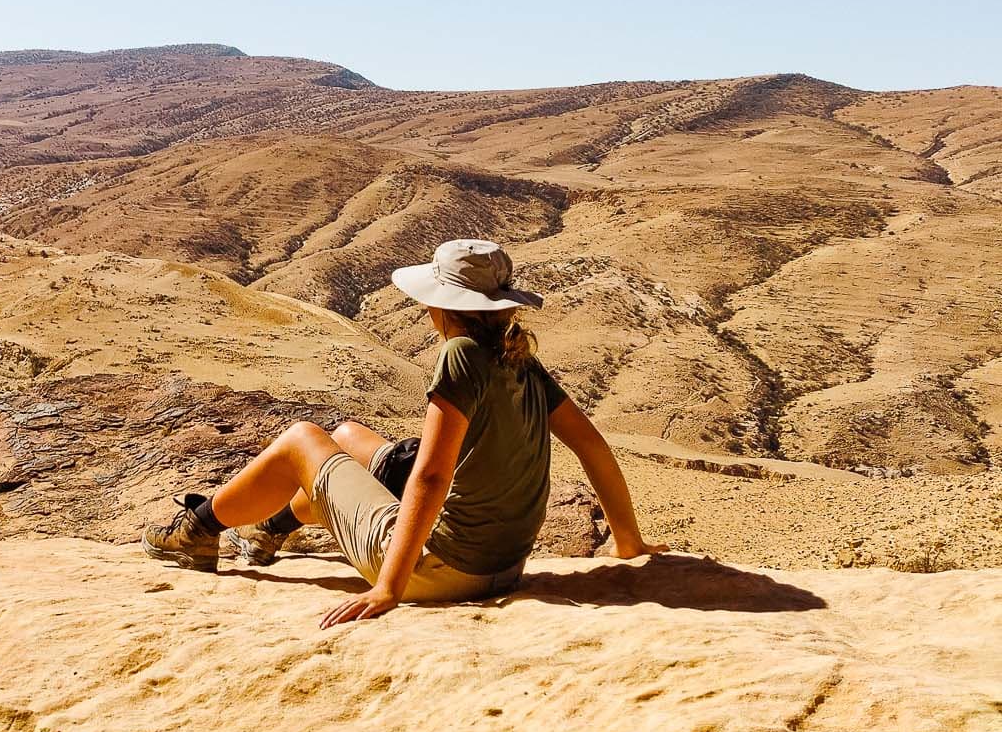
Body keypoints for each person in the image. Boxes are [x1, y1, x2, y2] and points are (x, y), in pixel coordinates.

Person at [141, 239, 666, 627]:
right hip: (505, 565)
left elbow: (434, 476)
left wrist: (389, 588)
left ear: (440, 304)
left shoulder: (459, 355)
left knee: (304, 438)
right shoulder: (517, 357)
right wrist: (628, 542)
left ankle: (196, 531)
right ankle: (269, 529)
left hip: (440, 570)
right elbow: (592, 445)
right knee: (346, 437)